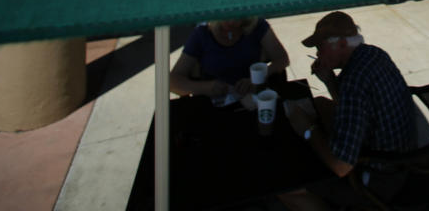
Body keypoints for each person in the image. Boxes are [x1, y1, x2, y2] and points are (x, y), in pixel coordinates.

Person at [280, 11, 416, 210]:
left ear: (342, 44)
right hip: (399, 153)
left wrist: (308, 129)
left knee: (286, 188)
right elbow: (352, 104)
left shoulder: (354, 80)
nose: (318, 54)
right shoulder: (373, 53)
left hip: (381, 177)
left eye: (320, 47)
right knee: (319, 104)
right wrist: (328, 79)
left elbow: (341, 166)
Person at [170, 17, 289, 101]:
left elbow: (283, 59)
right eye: (226, 16)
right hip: (213, 107)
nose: (232, 22)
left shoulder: (257, 25)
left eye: (238, 16)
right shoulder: (202, 33)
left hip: (252, 101)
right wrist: (206, 87)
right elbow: (173, 82)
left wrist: (256, 79)